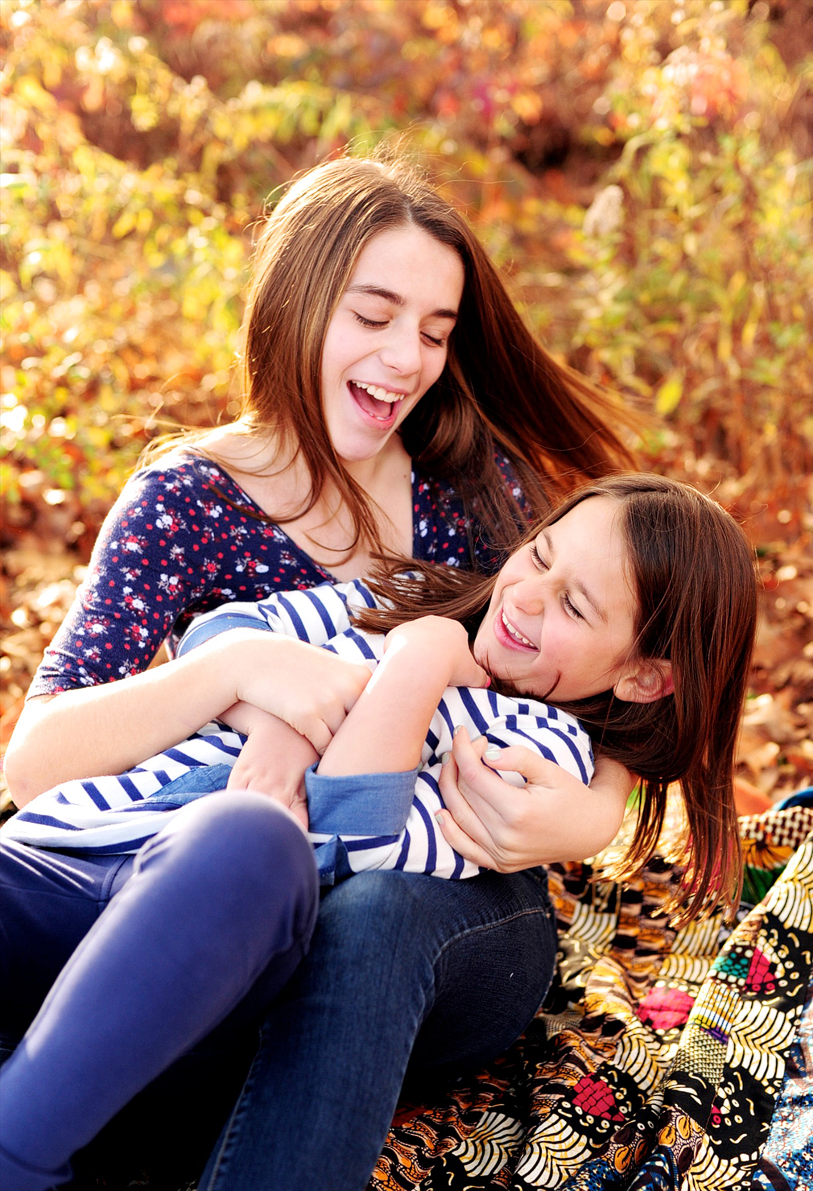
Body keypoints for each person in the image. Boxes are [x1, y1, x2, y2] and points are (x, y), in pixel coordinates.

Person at [2, 153, 644, 1190]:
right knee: (236, 861)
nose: (406, 361)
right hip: (214, 879)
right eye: (375, 316)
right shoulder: (188, 503)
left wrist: (594, 813)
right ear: (298, 301)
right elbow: (37, 768)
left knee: (363, 913)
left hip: (449, 907)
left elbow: (623, 666)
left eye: (435, 333)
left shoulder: (476, 492)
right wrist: (244, 670)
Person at [0, 476, 758, 1191]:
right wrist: (279, 720)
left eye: (574, 607)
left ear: (642, 676)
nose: (525, 595)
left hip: (222, 912)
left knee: (250, 839)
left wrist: (418, 664)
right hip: (87, 848)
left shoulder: (530, 746)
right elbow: (221, 633)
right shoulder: (394, 598)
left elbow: (348, 834)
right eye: (539, 555)